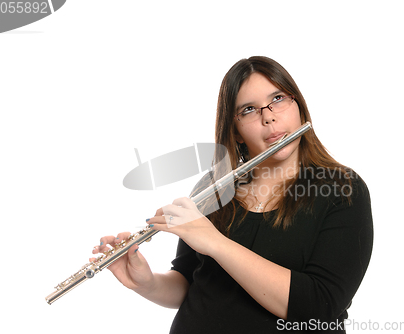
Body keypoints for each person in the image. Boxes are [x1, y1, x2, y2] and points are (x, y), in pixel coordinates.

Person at [91, 56, 373, 333]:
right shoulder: (214, 187)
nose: (269, 116)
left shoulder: (343, 189)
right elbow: (189, 282)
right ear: (235, 131)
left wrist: (214, 242)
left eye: (278, 99)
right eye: (249, 109)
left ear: (298, 105)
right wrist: (146, 283)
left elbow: (320, 306)